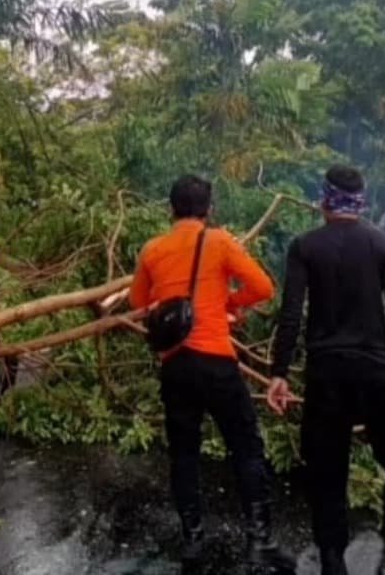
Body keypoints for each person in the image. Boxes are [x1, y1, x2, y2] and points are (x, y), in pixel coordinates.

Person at [267, 165, 385, 575]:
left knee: (326, 472)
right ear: (363, 202)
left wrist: (279, 372)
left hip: (326, 376)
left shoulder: (305, 246)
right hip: (375, 374)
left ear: (325, 200)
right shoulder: (384, 245)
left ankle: (332, 560)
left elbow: (291, 315)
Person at [129, 175, 295, 574]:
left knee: (183, 453)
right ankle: (259, 541)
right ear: (209, 210)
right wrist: (229, 303)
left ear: (171, 209)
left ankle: (193, 541)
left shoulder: (153, 249)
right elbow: (263, 287)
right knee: (246, 448)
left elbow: (139, 303)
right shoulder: (219, 241)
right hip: (217, 362)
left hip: (175, 365)